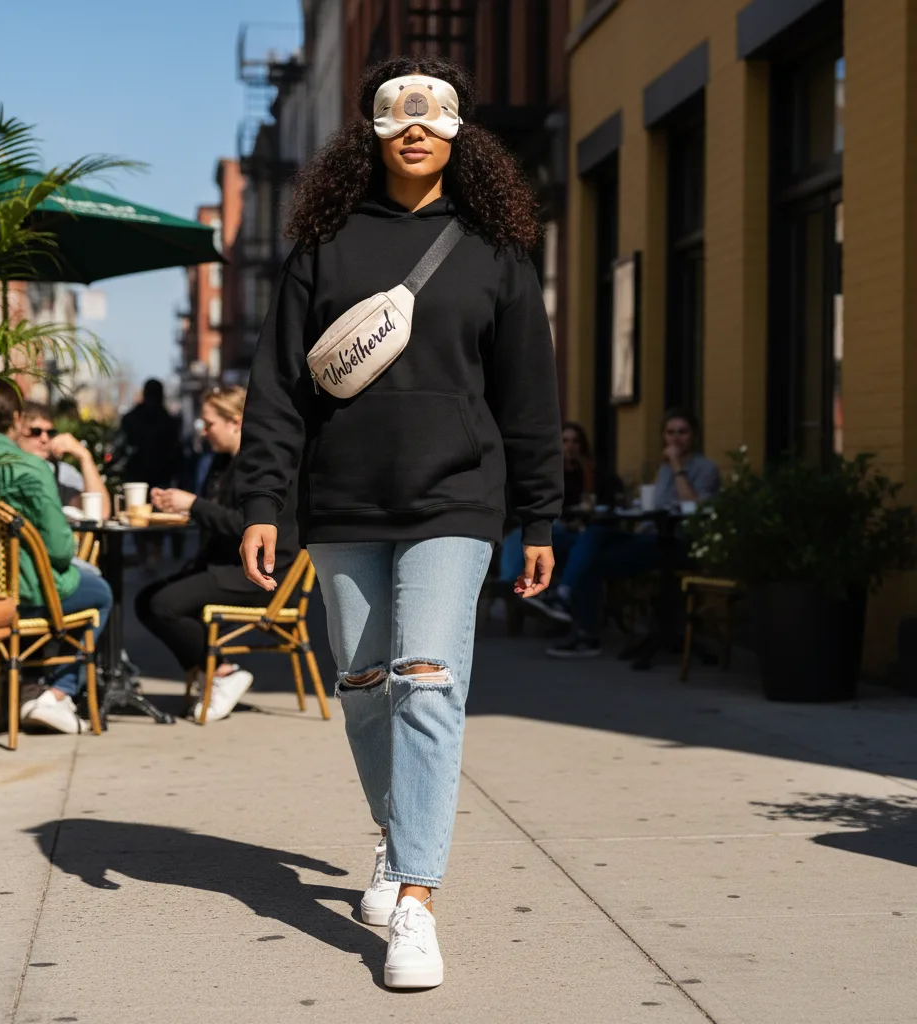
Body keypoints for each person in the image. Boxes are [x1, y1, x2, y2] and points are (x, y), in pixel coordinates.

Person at [234, 55, 563, 989]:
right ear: (371, 130)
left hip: (456, 495)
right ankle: (394, 831)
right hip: (341, 498)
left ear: (458, 130)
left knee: (426, 679)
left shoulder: (495, 250)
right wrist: (262, 499)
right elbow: (277, 389)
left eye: (433, 113)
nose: (415, 126)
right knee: (366, 683)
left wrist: (538, 515)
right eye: (396, 113)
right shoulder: (324, 246)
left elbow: (528, 396)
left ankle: (416, 896)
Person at [0, 380, 113, 733]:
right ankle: (57, 694)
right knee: (100, 592)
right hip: (27, 594)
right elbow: (60, 549)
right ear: (18, 419)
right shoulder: (30, 468)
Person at [135, 386, 300, 721]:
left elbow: (246, 524)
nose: (204, 431)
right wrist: (180, 507)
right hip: (225, 565)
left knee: (164, 605)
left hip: (262, 575)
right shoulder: (222, 463)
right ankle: (209, 670)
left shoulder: (260, 468)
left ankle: (223, 672)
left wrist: (194, 505)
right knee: (146, 599)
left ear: (236, 422)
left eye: (209, 423)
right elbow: (219, 516)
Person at [547, 408, 720, 659]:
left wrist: (676, 466)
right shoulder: (662, 470)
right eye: (670, 433)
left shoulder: (705, 468)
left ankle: (578, 621)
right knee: (593, 537)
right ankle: (571, 610)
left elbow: (692, 506)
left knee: (590, 557)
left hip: (680, 541)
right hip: (651, 537)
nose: (676, 438)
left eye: (682, 432)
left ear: (693, 436)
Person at [497, 422, 595, 623]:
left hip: (577, 534)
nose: (570, 446)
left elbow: (596, 504)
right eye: (565, 440)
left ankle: (512, 582)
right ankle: (508, 581)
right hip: (552, 530)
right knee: (520, 534)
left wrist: (586, 471)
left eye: (575, 441)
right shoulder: (550, 473)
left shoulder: (589, 471)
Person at [118, 379, 181, 567]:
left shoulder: (130, 418)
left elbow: (124, 445)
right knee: (158, 515)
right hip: (161, 473)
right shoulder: (169, 420)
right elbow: (175, 450)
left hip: (137, 474)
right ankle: (155, 553)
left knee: (138, 514)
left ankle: (143, 553)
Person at [17, 400, 110, 511]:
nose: (44, 439)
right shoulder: (1, 467)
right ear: (16, 431)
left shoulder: (62, 473)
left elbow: (100, 511)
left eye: (50, 433)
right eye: (36, 432)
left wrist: (85, 456)